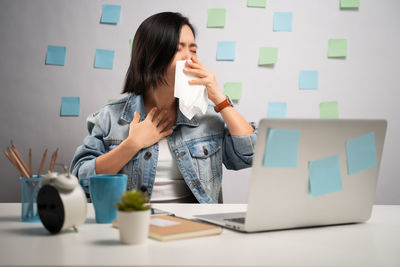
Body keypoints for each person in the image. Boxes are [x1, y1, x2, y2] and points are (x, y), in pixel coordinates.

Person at [70, 12, 257, 203]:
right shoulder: (109, 118)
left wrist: (219, 98)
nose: (189, 58)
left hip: (195, 227)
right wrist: (132, 144)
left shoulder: (205, 117)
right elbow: (80, 179)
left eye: (193, 50)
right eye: (178, 50)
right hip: (134, 223)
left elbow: (249, 155)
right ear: (152, 57)